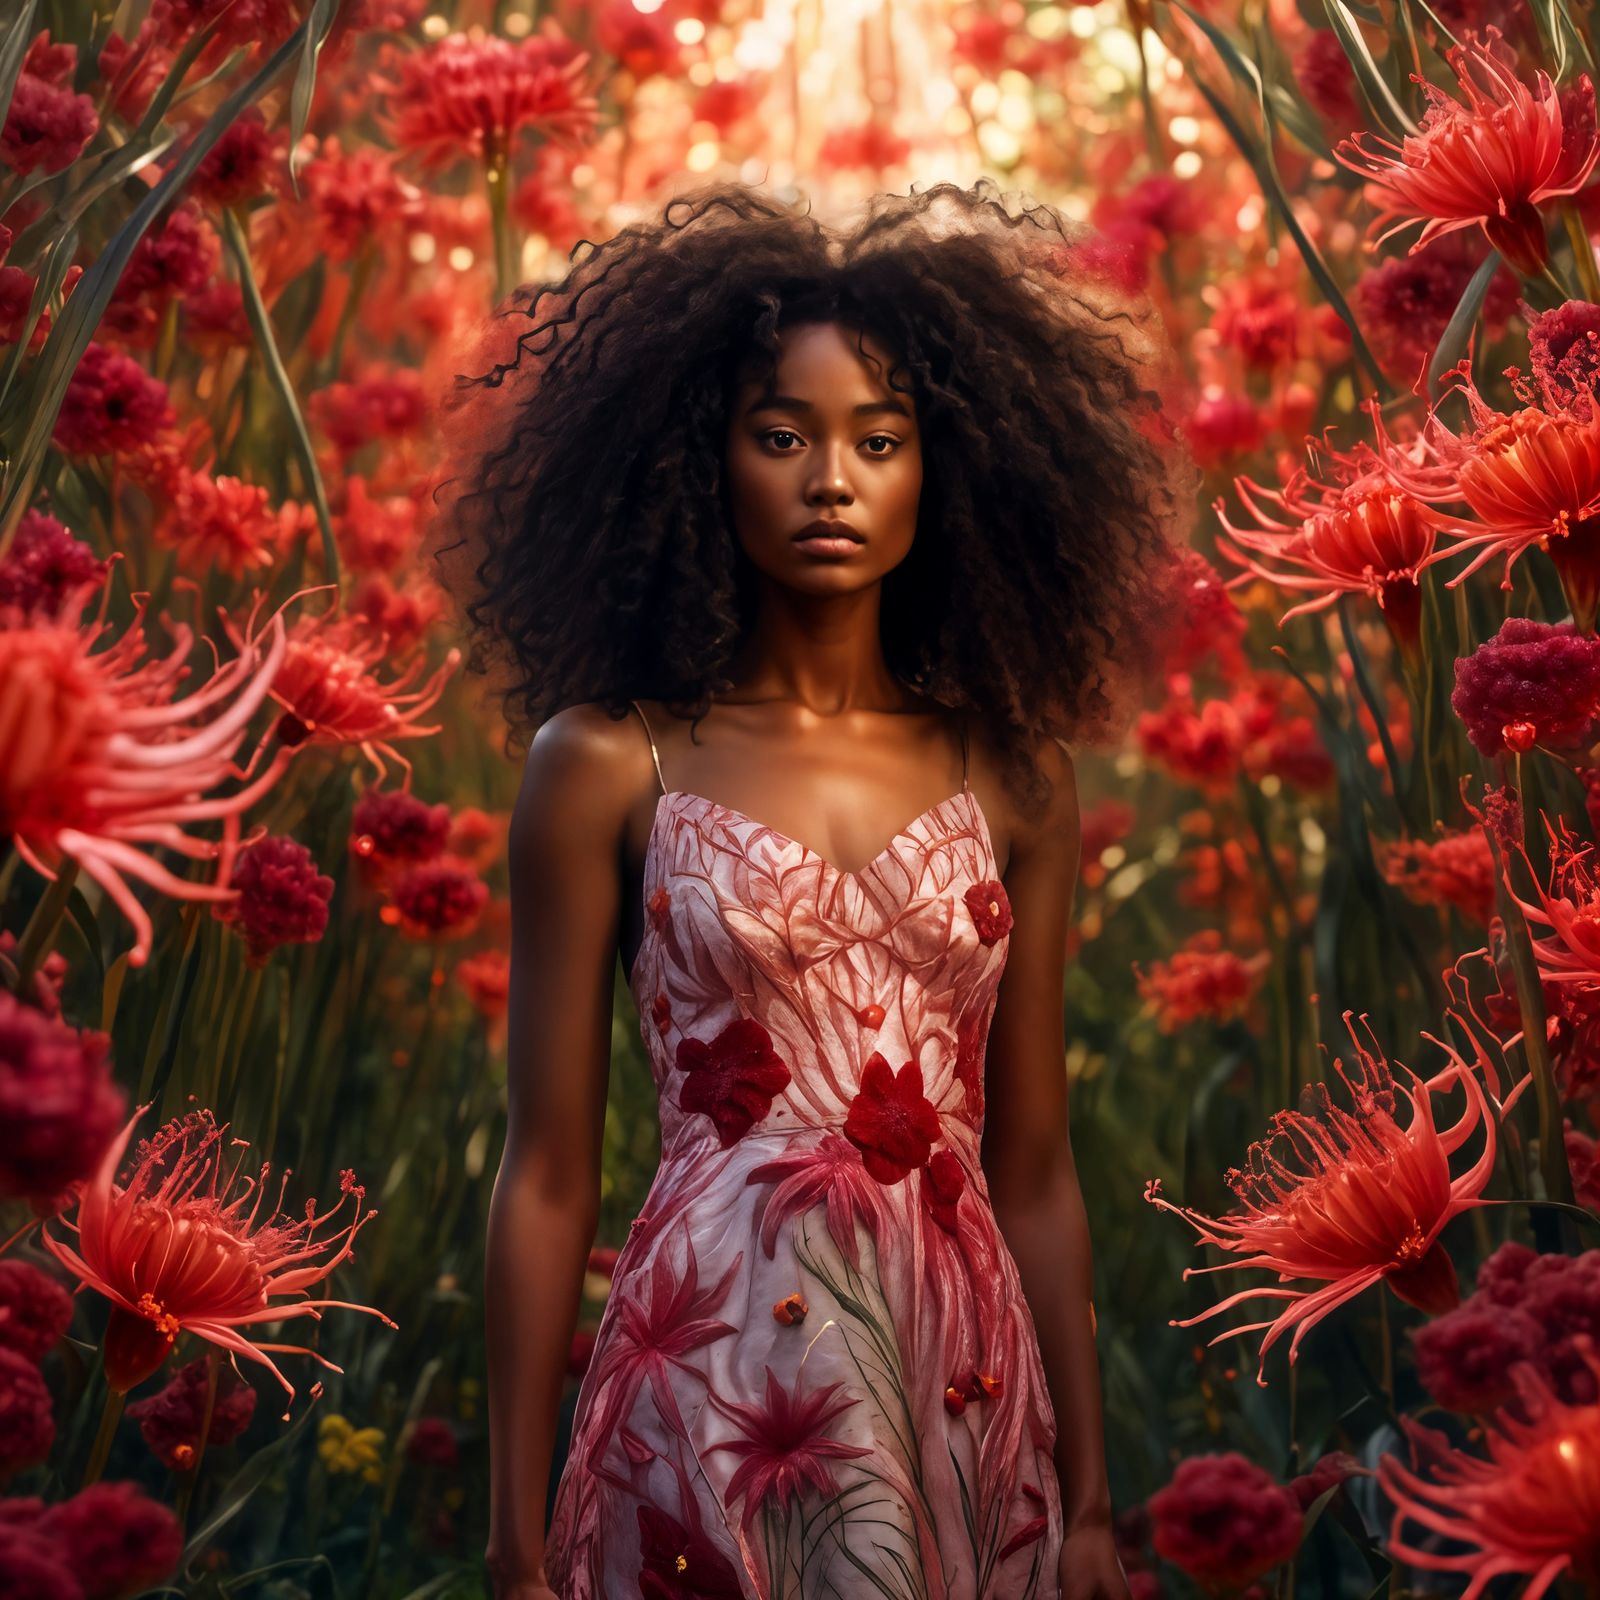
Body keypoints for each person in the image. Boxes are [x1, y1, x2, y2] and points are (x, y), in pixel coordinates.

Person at [431, 177, 1194, 1600]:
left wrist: (1090, 1503)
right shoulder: (608, 763)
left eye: (879, 440)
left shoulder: (1015, 778)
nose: (830, 478)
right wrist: (516, 1547)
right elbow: (545, 1173)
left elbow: (1034, 1167)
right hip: (708, 1389)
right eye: (780, 435)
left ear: (943, 469)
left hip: (960, 1391)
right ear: (701, 458)